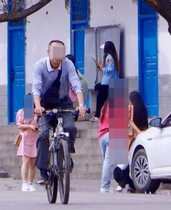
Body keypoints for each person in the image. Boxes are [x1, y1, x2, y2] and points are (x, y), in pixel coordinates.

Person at [32, 39, 86, 185]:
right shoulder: (40, 66)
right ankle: (43, 172)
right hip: (44, 104)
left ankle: (67, 155)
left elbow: (76, 85)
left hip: (64, 102)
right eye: (54, 52)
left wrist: (81, 105)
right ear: (48, 52)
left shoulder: (68, 64)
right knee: (43, 134)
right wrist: (37, 106)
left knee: (70, 128)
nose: (57, 56)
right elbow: (36, 89)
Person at [113, 91, 149, 192]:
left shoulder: (130, 109)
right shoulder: (144, 110)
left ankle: (122, 184)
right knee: (132, 162)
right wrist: (141, 132)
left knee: (126, 162)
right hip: (140, 138)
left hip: (130, 139)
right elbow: (145, 126)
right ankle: (131, 185)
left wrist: (136, 130)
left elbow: (128, 121)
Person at [16, 98, 39, 192]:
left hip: (34, 138)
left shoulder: (37, 113)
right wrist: (29, 126)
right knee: (25, 161)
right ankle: (24, 183)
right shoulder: (22, 112)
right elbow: (19, 125)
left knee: (33, 163)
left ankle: (30, 183)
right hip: (25, 138)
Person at [94, 40, 119, 119]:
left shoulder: (109, 57)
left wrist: (102, 68)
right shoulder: (113, 56)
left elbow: (110, 69)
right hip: (112, 81)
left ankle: (98, 115)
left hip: (107, 82)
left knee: (100, 98)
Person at [98, 99, 114, 193]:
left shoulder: (104, 106)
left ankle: (105, 185)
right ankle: (104, 186)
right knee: (109, 162)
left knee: (106, 161)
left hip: (102, 136)